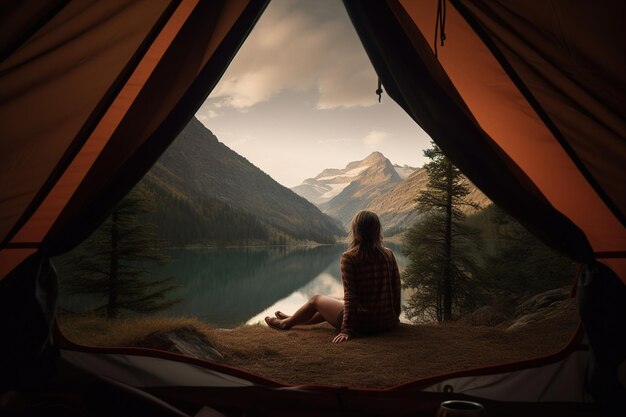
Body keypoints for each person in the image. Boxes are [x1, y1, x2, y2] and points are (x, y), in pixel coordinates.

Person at [265, 210, 401, 343]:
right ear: (377, 231)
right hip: (386, 321)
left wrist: (347, 330)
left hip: (363, 325)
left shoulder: (350, 257)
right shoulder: (388, 254)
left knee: (316, 300)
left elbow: (351, 297)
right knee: (335, 302)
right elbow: (396, 287)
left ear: (357, 232)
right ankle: (294, 318)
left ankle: (286, 323)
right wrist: (395, 318)